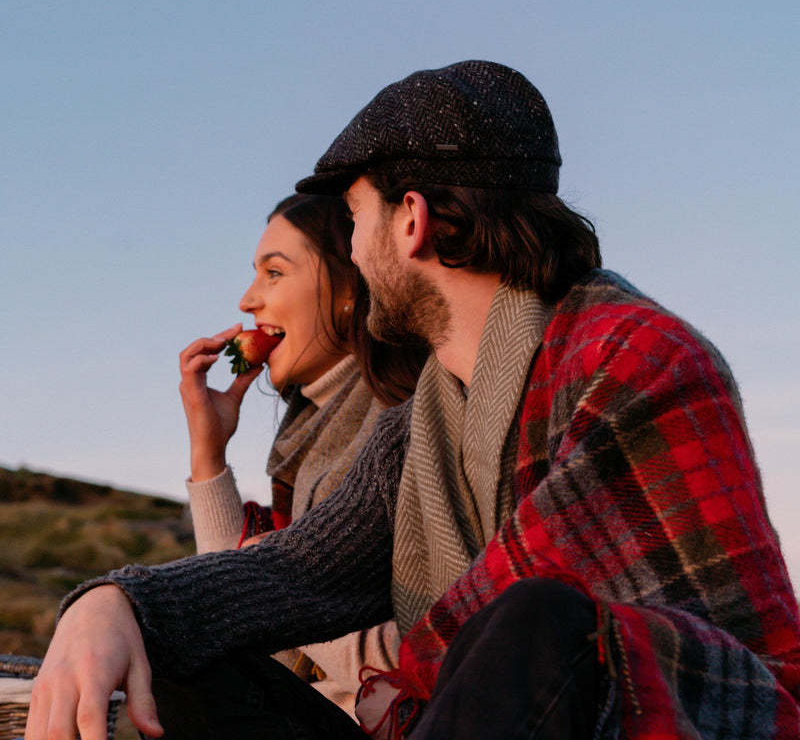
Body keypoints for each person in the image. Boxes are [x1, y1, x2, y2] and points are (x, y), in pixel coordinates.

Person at [26, 62, 800, 740]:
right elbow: (302, 572)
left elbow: (542, 637)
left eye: (357, 219)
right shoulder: (419, 425)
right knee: (176, 647)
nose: (356, 252)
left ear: (412, 218)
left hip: (656, 716)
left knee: (536, 624)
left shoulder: (632, 357)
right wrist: (118, 602)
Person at [177, 192, 426, 719]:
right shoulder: (309, 437)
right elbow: (230, 597)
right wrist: (208, 449)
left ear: (347, 287)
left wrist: (276, 581)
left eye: (274, 272)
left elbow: (426, 643)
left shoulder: (408, 422)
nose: (247, 300)